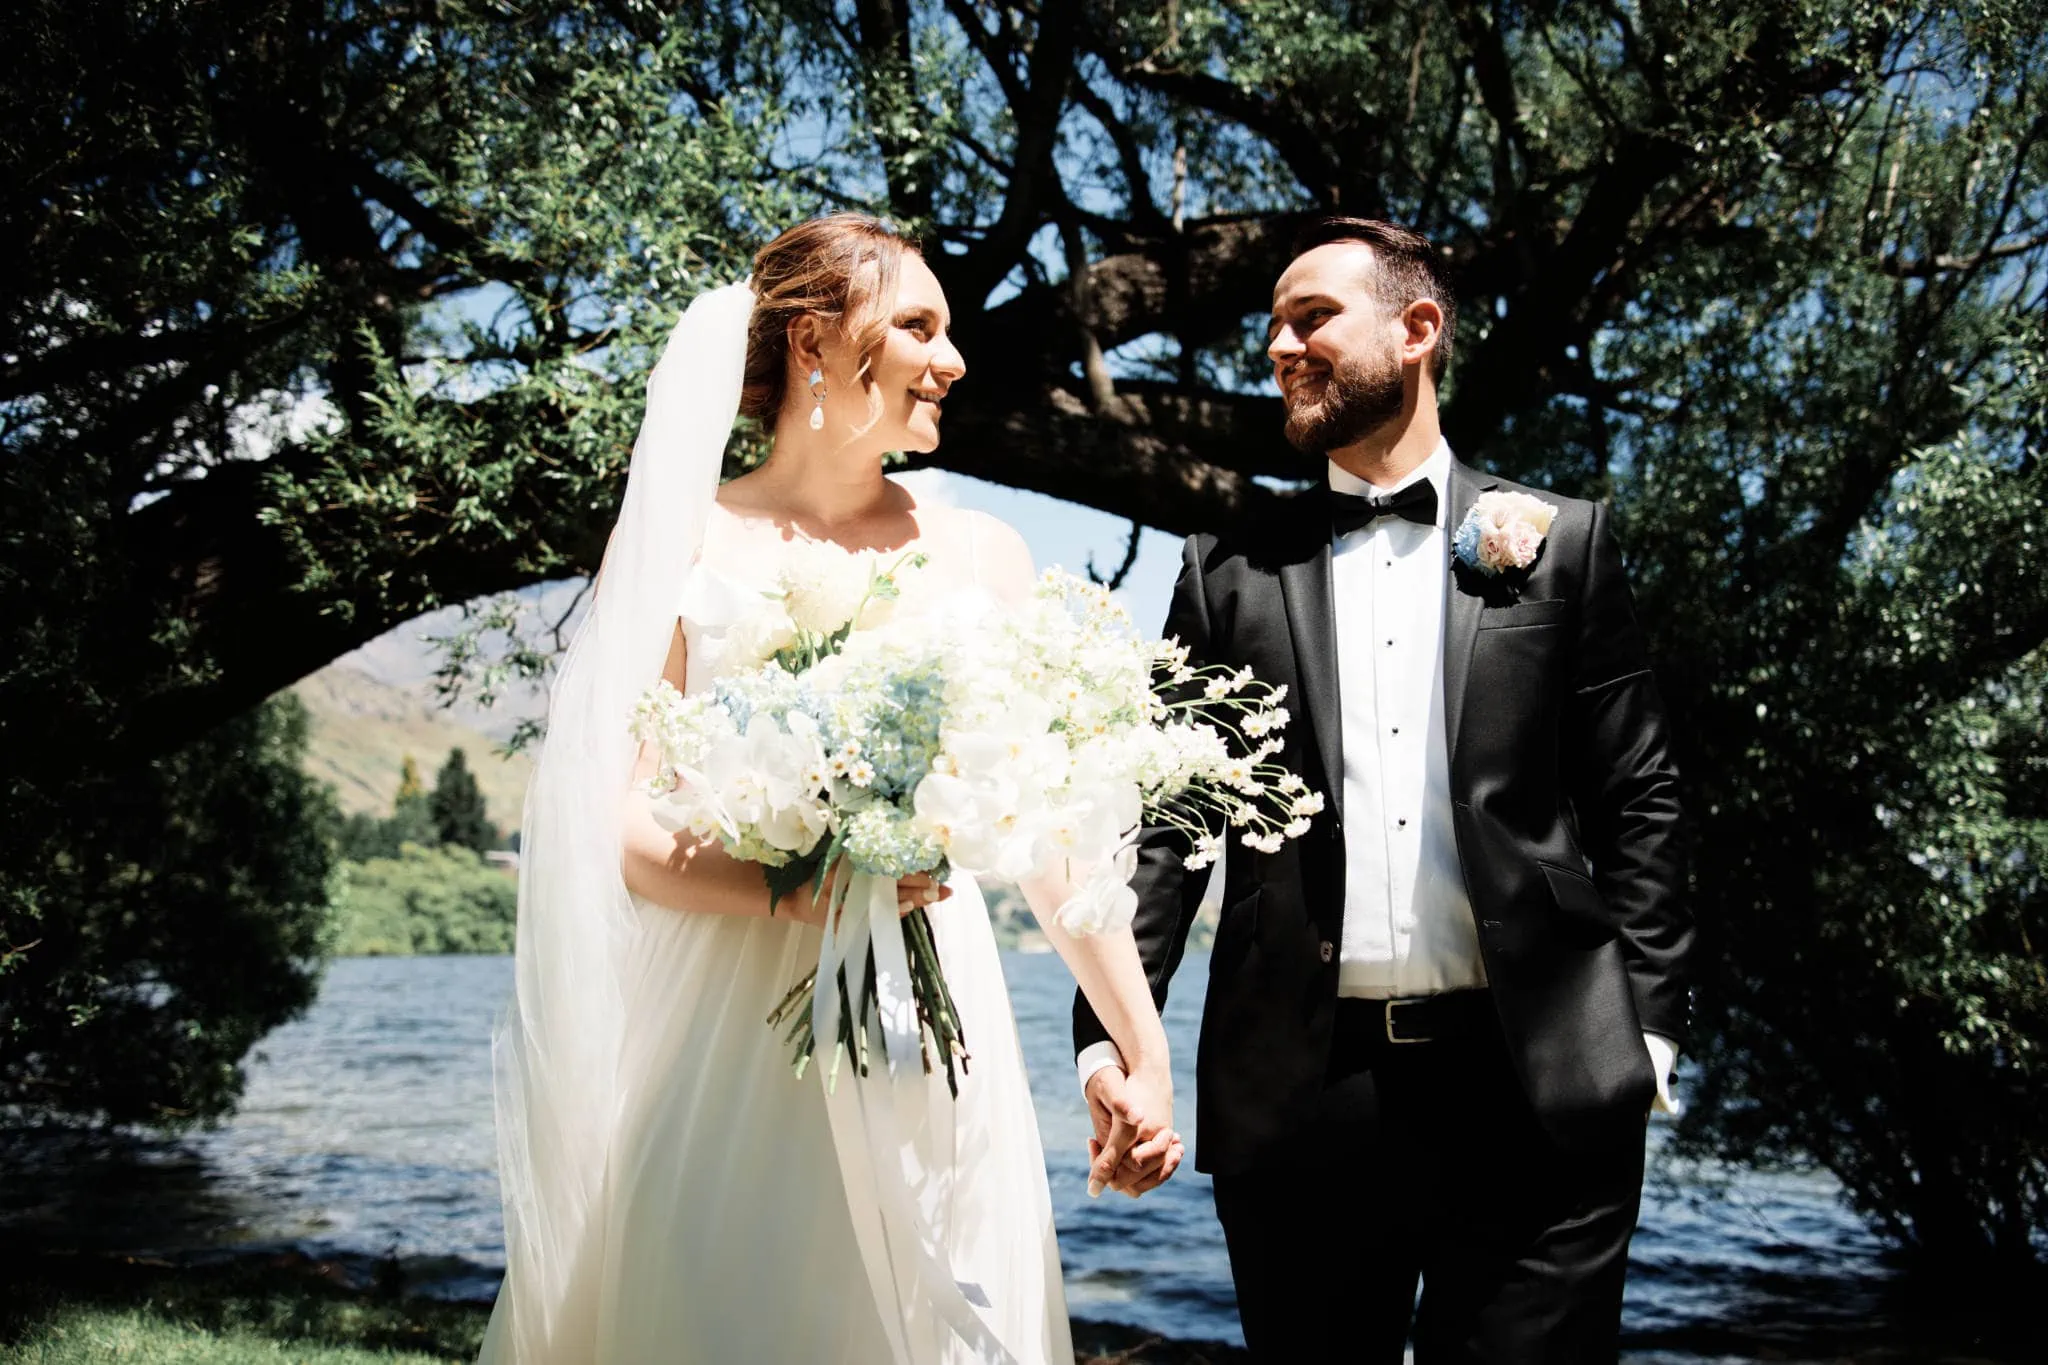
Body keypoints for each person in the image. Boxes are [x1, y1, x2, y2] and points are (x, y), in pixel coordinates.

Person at [480, 213, 1180, 1364]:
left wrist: (1138, 1053)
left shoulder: (982, 555)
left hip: (933, 1027)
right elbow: (617, 825)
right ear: (814, 340)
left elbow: (1052, 841)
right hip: (729, 1028)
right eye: (917, 326)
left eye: (947, 331)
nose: (951, 360)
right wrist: (787, 890)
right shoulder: (680, 543)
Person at [1074, 216, 1693, 1361]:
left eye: (1309, 318)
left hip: (1540, 1084)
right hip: (1300, 1096)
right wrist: (1109, 1041)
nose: (1276, 347)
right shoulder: (1225, 571)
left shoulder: (1557, 542)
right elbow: (1162, 830)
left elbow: (1638, 799)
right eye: (1268, 328)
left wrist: (1645, 1034)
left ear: (1417, 330)